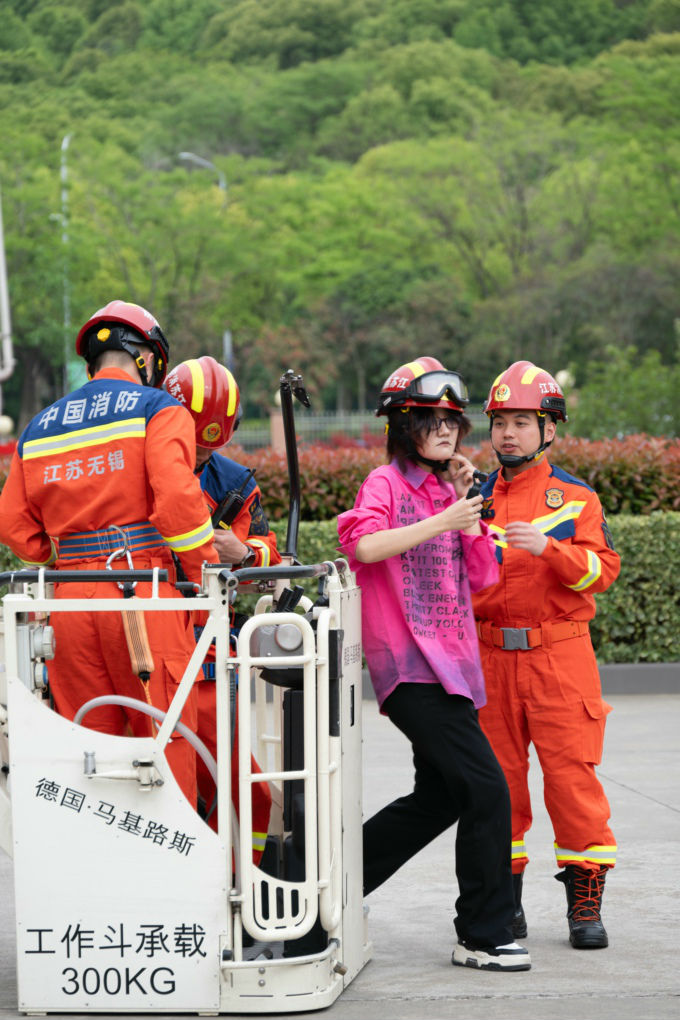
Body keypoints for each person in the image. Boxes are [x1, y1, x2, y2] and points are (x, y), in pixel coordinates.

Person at [337, 356, 531, 972]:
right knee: (487, 789)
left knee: (440, 797)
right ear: (402, 426)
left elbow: (483, 576)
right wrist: (443, 519)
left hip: (455, 669)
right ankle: (483, 932)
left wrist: (467, 505)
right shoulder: (384, 485)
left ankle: (331, 884)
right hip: (408, 668)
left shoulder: (453, 491)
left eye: (451, 421)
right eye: (430, 420)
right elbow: (363, 544)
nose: (445, 430)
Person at [0, 300, 219, 805]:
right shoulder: (158, 409)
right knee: (165, 746)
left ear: (90, 364)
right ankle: (173, 853)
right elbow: (179, 506)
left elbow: (14, 526)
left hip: (67, 603)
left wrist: (63, 557)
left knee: (88, 754)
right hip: (142, 595)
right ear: (148, 359)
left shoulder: (39, 427)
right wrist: (206, 575)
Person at [473, 360, 620, 950]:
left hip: (560, 658)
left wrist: (550, 550)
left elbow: (602, 571)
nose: (508, 434)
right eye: (500, 422)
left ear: (549, 428)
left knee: (571, 783)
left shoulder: (577, 498)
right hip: (490, 660)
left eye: (521, 422)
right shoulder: (473, 499)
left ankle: (584, 907)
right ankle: (504, 905)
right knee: (496, 788)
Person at [164, 356, 280, 858]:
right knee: (169, 785)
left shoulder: (235, 483)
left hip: (212, 655)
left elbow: (274, 557)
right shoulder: (137, 472)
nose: (197, 456)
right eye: (191, 442)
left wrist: (244, 553)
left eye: (208, 447)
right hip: (151, 648)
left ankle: (240, 882)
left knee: (247, 793)